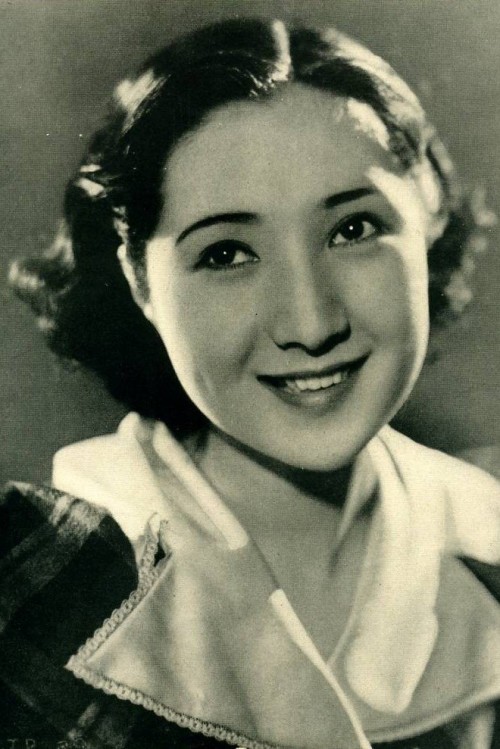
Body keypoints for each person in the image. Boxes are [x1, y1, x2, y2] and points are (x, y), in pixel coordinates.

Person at [2, 17, 500, 749]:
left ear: (426, 221)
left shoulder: (488, 545)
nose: (311, 323)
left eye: (353, 230)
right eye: (227, 253)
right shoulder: (32, 580)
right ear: (139, 280)